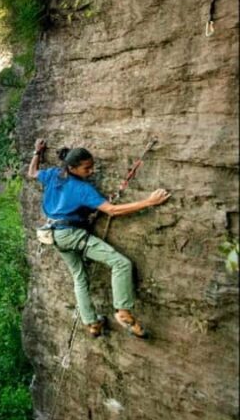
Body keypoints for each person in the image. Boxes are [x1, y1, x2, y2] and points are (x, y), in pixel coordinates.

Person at [28, 138, 170, 338]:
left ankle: (92, 323)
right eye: (87, 168)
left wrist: (37, 152)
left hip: (53, 234)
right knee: (121, 264)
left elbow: (32, 173)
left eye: (92, 166)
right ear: (73, 167)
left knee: (79, 277)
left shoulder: (53, 174)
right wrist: (149, 202)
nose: (91, 171)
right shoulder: (82, 189)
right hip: (70, 235)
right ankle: (122, 311)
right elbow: (111, 210)